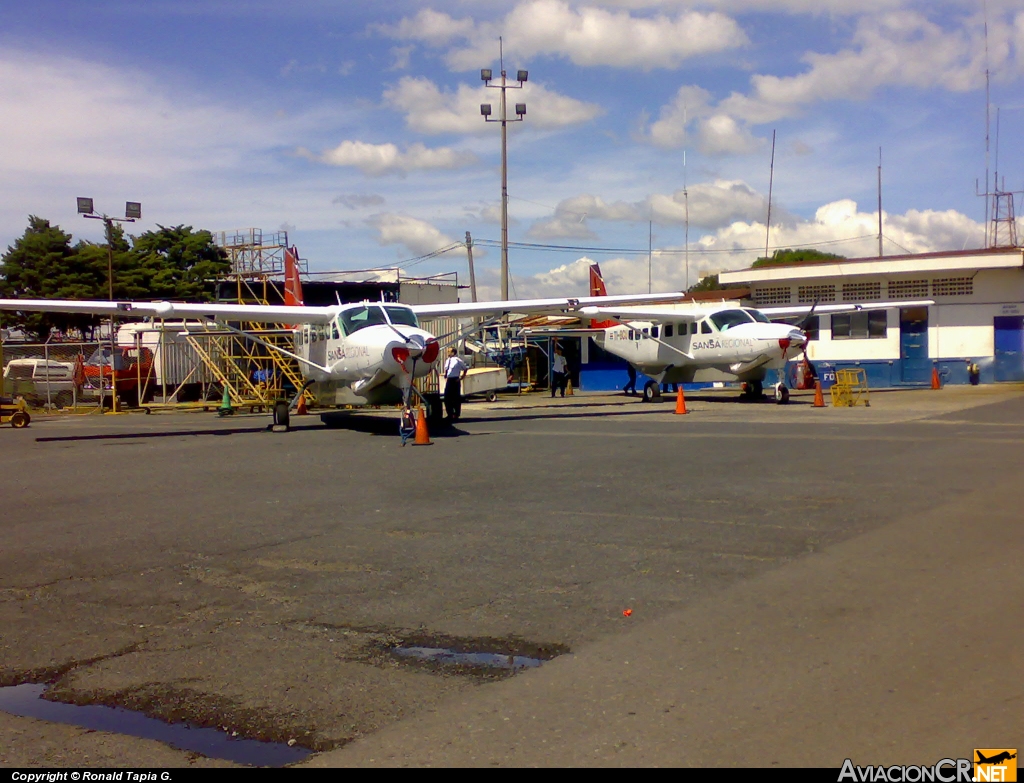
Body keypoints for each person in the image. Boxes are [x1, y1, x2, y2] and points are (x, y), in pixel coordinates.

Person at [442, 348, 468, 421]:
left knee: (456, 398)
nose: (448, 352)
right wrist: (446, 375)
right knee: (447, 398)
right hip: (449, 380)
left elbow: (465, 368)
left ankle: (456, 414)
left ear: (453, 352)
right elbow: (447, 369)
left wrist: (462, 377)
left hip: (455, 379)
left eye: (449, 351)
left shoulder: (458, 360)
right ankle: (449, 413)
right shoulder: (447, 360)